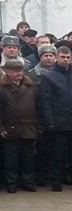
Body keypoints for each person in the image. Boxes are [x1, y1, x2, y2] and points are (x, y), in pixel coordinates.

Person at [39, 47, 72, 191]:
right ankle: (56, 180)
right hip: (58, 122)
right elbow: (45, 101)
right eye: (62, 57)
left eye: (68, 57)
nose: (65, 60)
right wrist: (49, 121)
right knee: (57, 154)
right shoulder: (49, 77)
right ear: (56, 58)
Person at [0, 59, 39, 192]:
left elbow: (37, 106)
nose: (19, 74)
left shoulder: (31, 86)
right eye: (15, 71)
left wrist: (38, 126)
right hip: (10, 128)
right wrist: (1, 128)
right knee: (11, 158)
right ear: (7, 72)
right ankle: (12, 183)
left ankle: (28, 181)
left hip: (28, 127)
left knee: (28, 158)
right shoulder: (2, 88)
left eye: (20, 71)